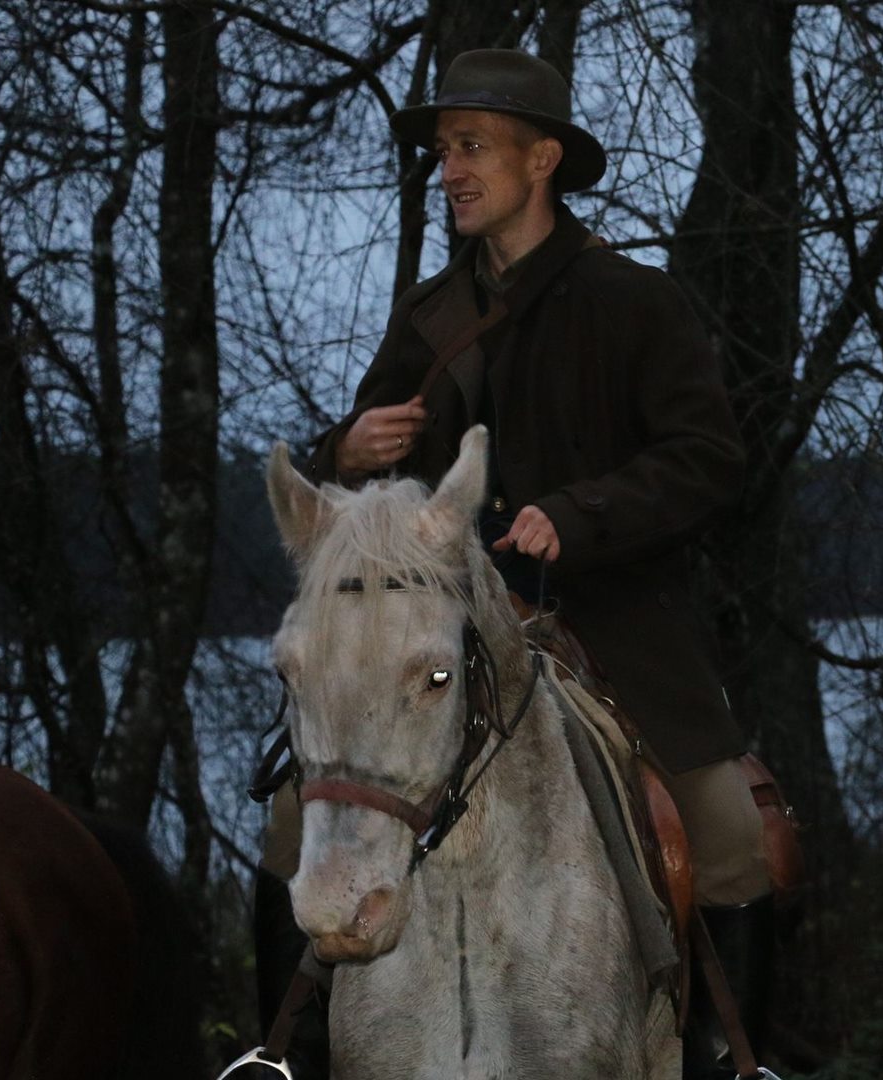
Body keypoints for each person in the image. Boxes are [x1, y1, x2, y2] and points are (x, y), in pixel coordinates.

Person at [254, 48, 776, 1080]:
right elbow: (352, 497)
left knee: (730, 835)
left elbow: (709, 459)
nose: (450, 168)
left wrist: (578, 516)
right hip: (438, 632)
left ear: (542, 161)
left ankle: (730, 1055)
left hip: (611, 623)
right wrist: (341, 453)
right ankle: (287, 1053)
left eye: (472, 147)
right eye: (445, 149)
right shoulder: (429, 318)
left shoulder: (638, 303)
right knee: (286, 823)